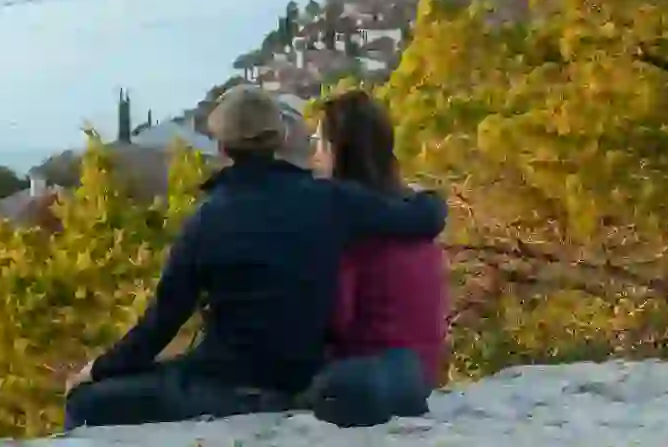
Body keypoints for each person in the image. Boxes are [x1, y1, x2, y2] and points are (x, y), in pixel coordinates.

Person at [63, 84, 448, 430]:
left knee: (85, 403)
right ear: (279, 136)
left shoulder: (207, 220)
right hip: (302, 380)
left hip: (222, 385)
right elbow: (419, 218)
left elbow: (160, 325)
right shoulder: (330, 199)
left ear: (222, 147)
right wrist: (431, 199)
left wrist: (98, 369)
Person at [313, 90, 450, 389]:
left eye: (319, 143)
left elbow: (336, 318)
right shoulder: (414, 214)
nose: (316, 155)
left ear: (337, 152)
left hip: (364, 381)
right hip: (421, 373)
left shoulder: (350, 227)